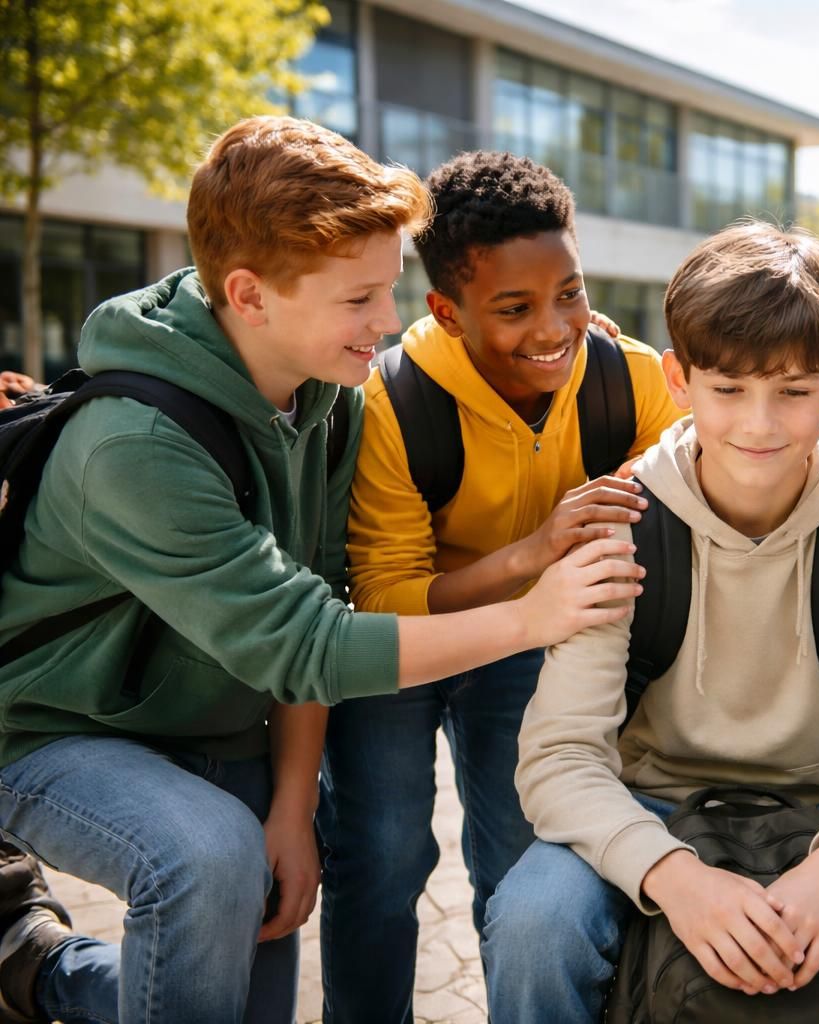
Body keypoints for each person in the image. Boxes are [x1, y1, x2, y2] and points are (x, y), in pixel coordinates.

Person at [0, 116, 642, 1024]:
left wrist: (295, 806)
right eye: (360, 301)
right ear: (250, 295)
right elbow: (308, 643)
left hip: (215, 731)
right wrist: (533, 615)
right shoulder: (133, 447)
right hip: (48, 729)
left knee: (228, 978)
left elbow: (312, 592)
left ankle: (37, 971)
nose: (389, 323)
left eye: (388, 292)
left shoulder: (326, 397)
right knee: (210, 856)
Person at [481, 222, 819, 1023]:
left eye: (793, 392)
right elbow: (559, 758)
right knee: (531, 920)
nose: (760, 425)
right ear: (678, 379)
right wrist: (674, 876)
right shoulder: (624, 528)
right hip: (653, 802)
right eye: (728, 390)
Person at [322, 150, 682, 1024]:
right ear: (446, 311)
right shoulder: (391, 402)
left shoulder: (626, 378)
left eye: (569, 291)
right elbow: (386, 598)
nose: (554, 327)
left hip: (526, 643)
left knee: (522, 861)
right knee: (380, 856)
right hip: (404, 650)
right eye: (514, 309)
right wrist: (532, 554)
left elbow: (700, 468)